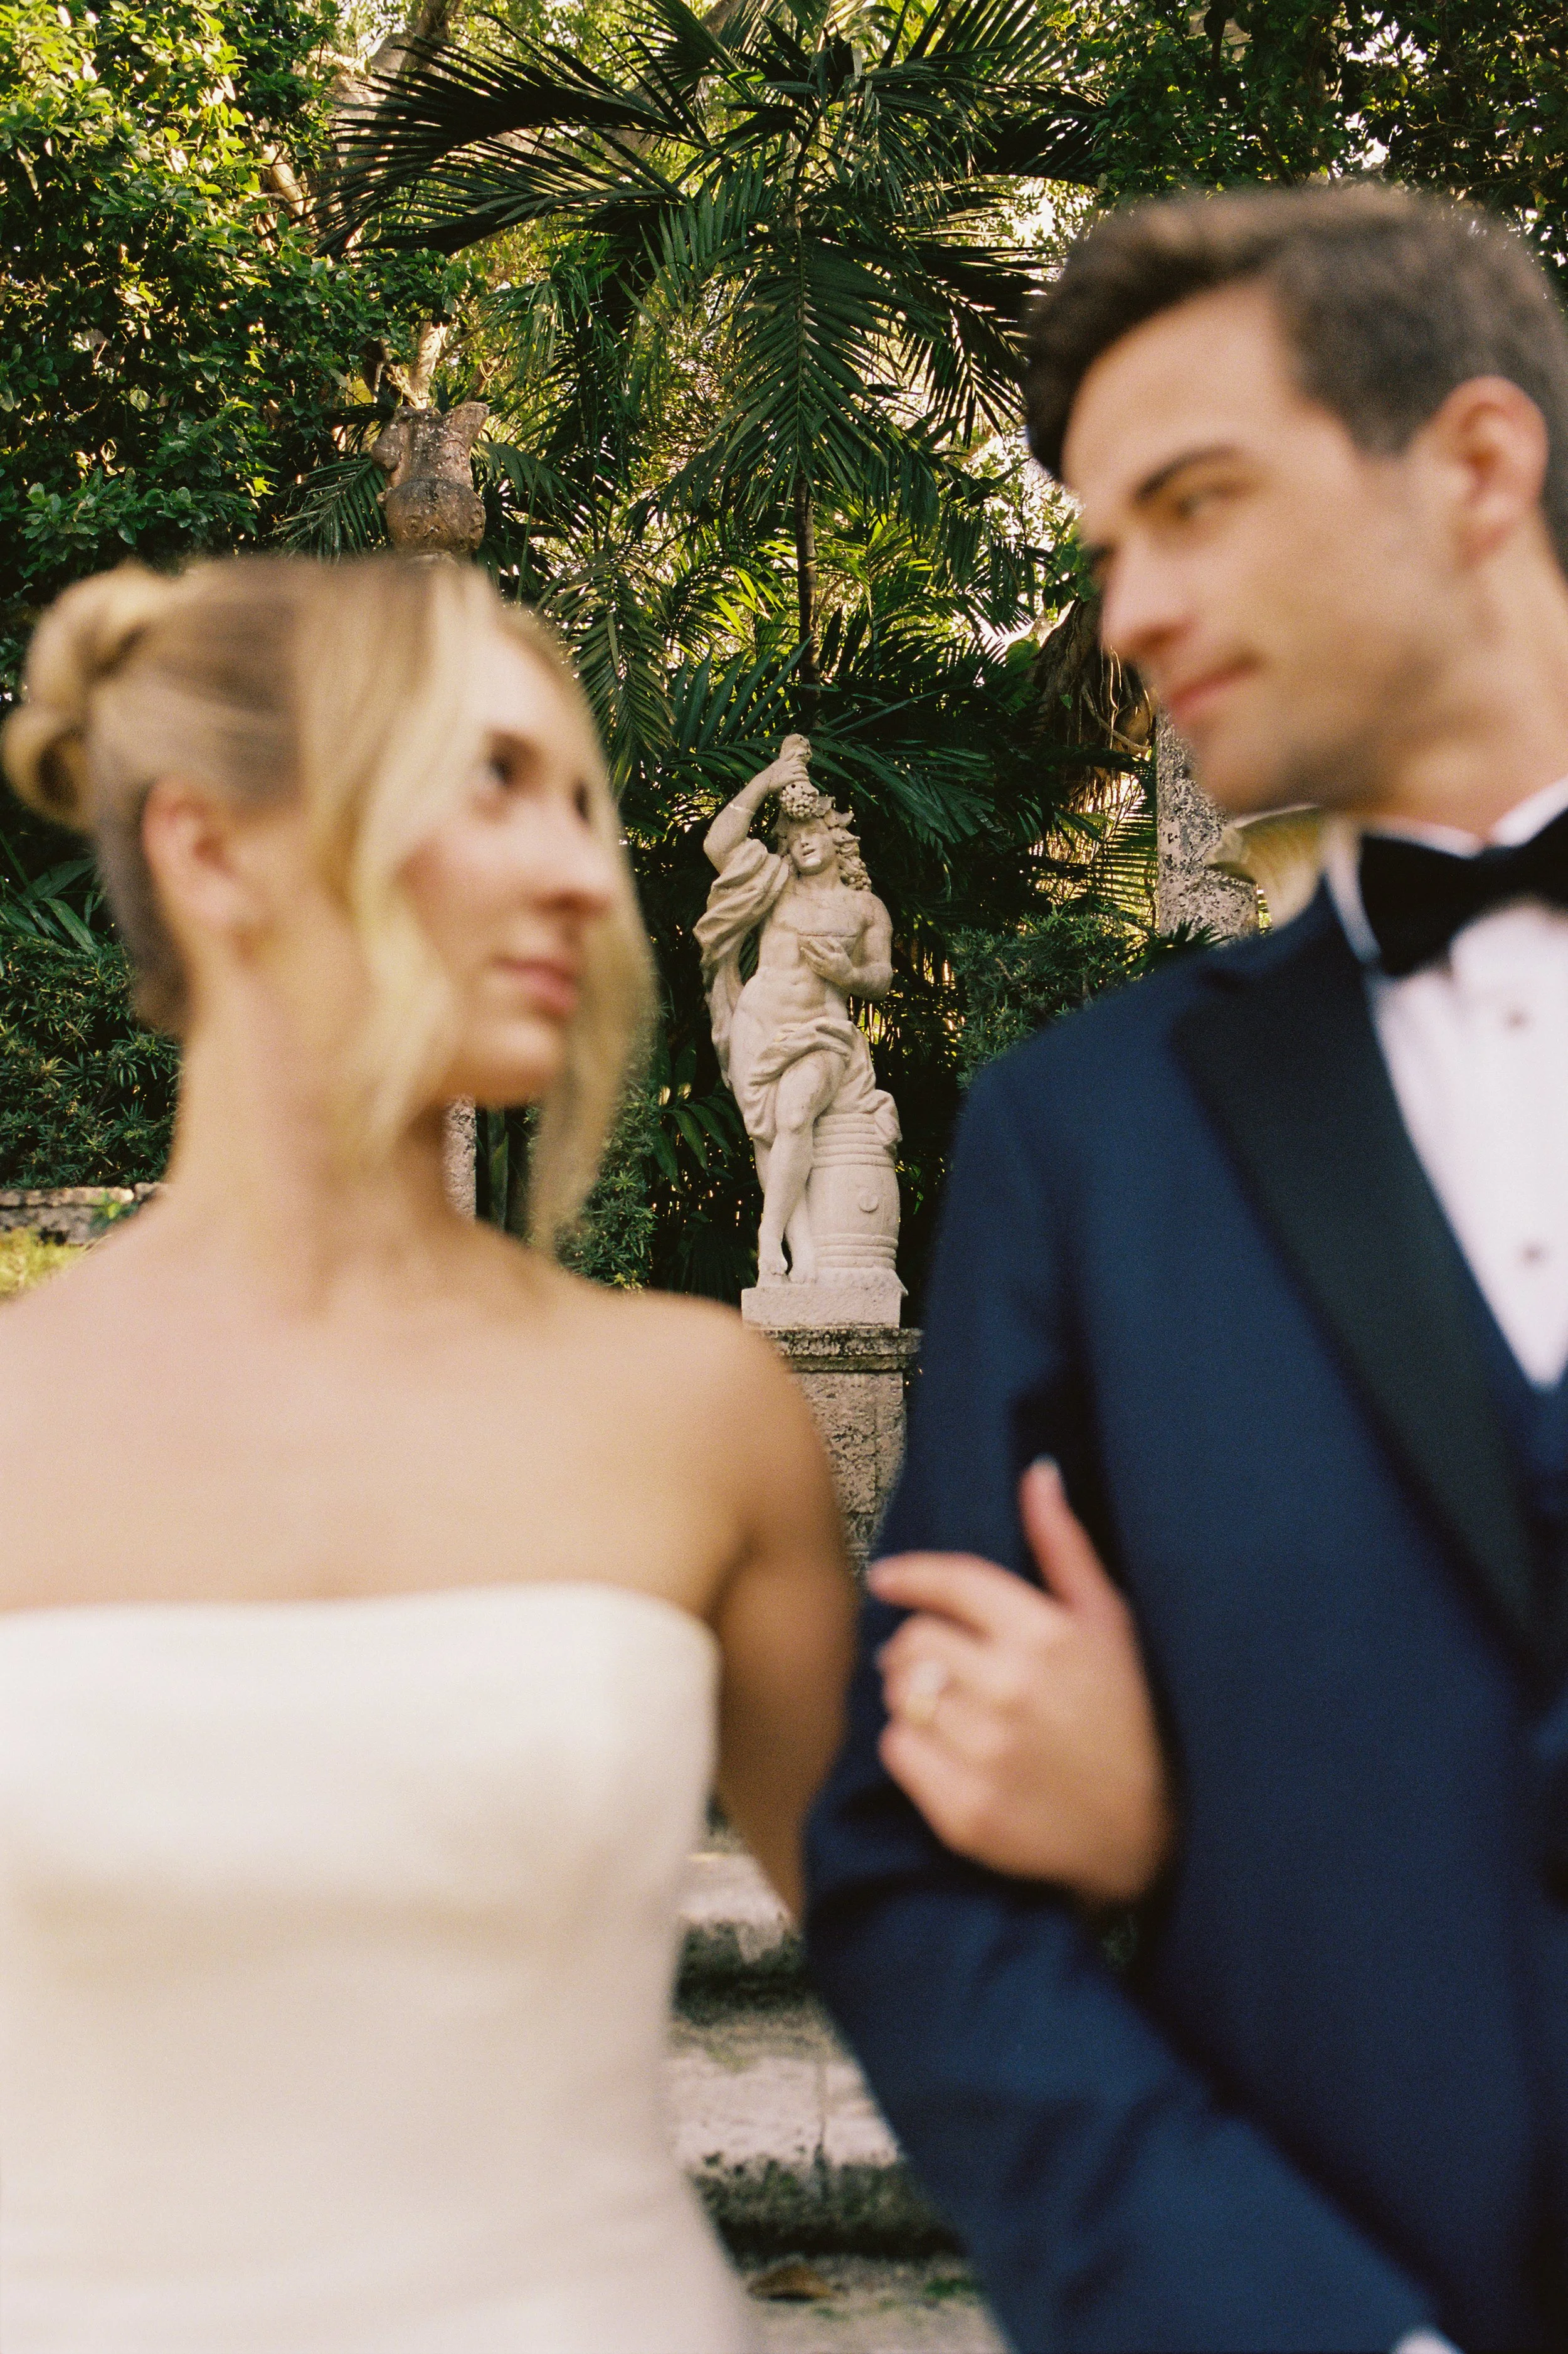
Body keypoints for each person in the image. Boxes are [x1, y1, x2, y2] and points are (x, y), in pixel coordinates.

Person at [806, 181, 1568, 2354]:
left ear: (1479, 467)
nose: (1129, 608)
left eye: (1194, 505)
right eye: (1102, 541)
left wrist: (1187, 1819)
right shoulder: (1088, 1138)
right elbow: (912, 1872)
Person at [0, 551, 866, 2354]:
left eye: (581, 803)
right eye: (488, 785)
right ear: (209, 848)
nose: (577, 872)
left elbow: (950, 1976)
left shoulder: (697, 1410)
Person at [695, 734, 898, 1283]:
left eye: (813, 832)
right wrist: (770, 776)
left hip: (824, 1030)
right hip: (756, 1022)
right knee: (769, 1133)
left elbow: (881, 976)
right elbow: (719, 845)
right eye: (794, 835)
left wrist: (849, 975)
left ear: (835, 837)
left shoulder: (864, 907)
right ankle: (798, 1254)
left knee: (794, 1112)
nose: (804, 842)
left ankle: (766, 1236)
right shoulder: (776, 883)